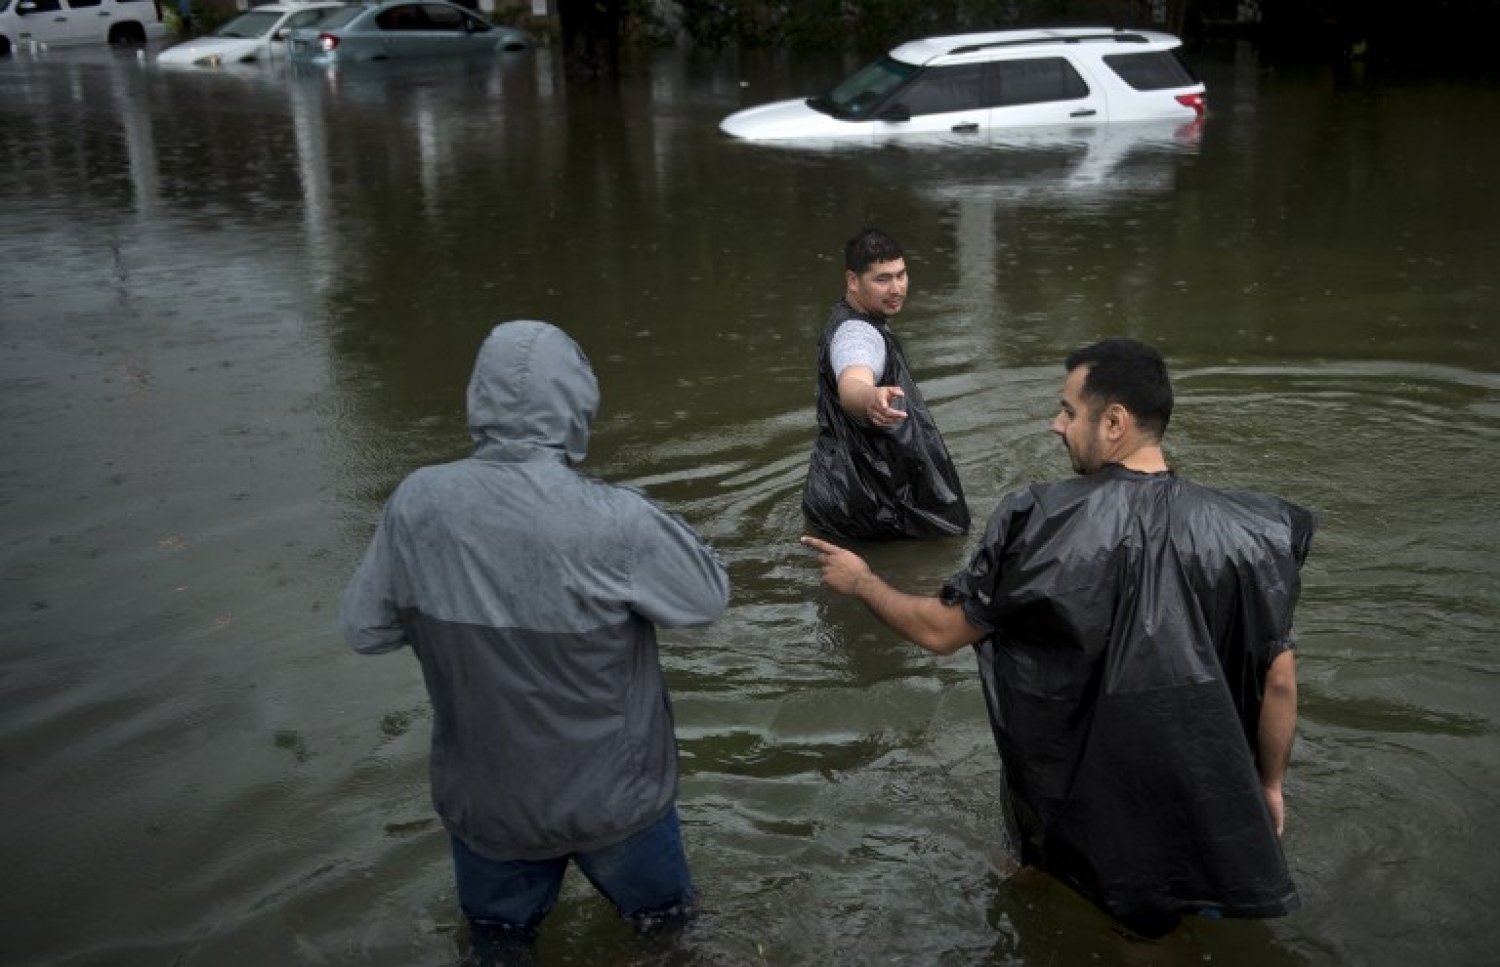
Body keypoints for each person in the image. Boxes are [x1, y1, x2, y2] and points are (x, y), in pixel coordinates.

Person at [802, 338, 1316, 938]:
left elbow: (942, 632)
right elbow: (1280, 680)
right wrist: (1269, 786)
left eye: (1070, 411)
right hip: (1190, 792)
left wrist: (863, 582)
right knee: (1146, 932)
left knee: (1028, 873)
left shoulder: (1039, 519)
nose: (1056, 424)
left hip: (1068, 792)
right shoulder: (1251, 534)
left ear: (1114, 421)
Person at [341, 321, 729, 957]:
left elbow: (366, 629)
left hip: (490, 811)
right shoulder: (615, 517)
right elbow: (706, 597)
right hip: (616, 806)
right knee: (670, 938)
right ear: (578, 404)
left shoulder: (416, 503)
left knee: (497, 946)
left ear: (478, 398)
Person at [802, 227, 970, 541]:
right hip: (871, 510)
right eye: (882, 279)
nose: (896, 288)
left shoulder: (848, 320)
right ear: (853, 281)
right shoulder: (857, 334)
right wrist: (869, 398)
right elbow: (853, 380)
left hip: (837, 493)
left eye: (901, 275)